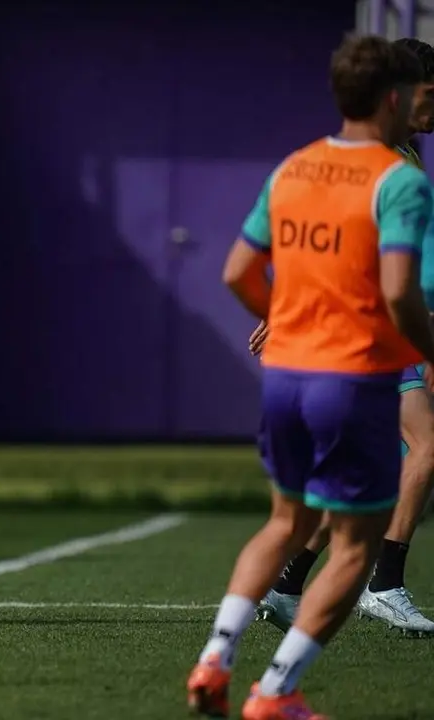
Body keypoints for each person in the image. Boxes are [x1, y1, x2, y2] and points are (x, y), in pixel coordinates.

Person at [186, 34, 434, 720]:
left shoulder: (295, 166)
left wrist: (289, 317)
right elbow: (398, 293)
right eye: (417, 91)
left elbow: (237, 270)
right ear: (393, 97)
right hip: (350, 375)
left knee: (284, 523)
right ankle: (274, 691)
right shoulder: (399, 179)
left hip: (286, 375)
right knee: (358, 545)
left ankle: (215, 659)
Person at [255, 36, 434, 637]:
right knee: (425, 447)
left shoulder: (401, 152)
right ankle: (383, 584)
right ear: (400, 94)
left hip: (379, 330)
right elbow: (342, 245)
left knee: (371, 477)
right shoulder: (383, 160)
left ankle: (287, 585)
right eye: (430, 94)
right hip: (373, 332)